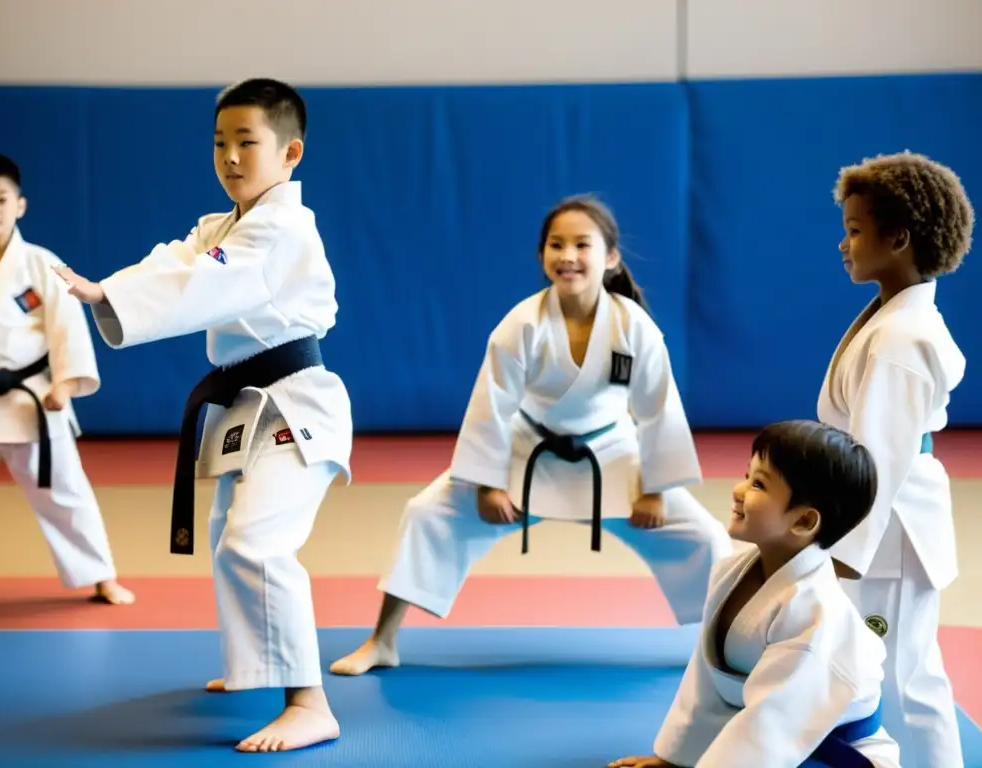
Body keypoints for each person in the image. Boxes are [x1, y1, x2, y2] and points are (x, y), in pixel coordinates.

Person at [54, 78, 353, 754]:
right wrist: (109, 290)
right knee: (229, 535)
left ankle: (310, 702)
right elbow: (178, 263)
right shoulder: (222, 227)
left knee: (256, 542)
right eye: (220, 143)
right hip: (249, 404)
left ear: (291, 153)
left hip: (296, 402)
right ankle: (257, 667)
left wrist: (109, 296)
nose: (231, 157)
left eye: (248, 142)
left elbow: (207, 282)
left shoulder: (282, 226)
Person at [330, 194, 733, 677]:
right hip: (528, 452)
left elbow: (658, 410)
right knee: (426, 514)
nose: (567, 255)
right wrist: (488, 484)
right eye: (556, 244)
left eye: (582, 244)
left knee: (706, 537)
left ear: (610, 257)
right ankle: (383, 640)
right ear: (542, 256)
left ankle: (722, 650)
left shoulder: (634, 327)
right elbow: (491, 407)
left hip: (613, 456)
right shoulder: (522, 324)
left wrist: (653, 489)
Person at [609, 420, 902, 768]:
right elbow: (706, 683)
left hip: (836, 752)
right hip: (770, 741)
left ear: (804, 522)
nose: (738, 489)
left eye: (759, 484)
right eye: (747, 475)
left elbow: (772, 725)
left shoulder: (814, 611)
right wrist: (675, 758)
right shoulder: (731, 571)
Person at [818, 150, 974, 768]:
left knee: (906, 677)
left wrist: (845, 553)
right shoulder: (892, 316)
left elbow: (879, 456)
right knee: (879, 668)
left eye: (855, 230)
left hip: (890, 529)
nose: (843, 245)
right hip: (880, 521)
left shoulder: (902, 339)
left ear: (899, 238)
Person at [0, 152, 133, 605]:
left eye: (1, 198)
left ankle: (101, 575)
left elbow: (67, 330)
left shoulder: (42, 265)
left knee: (64, 490)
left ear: (20, 205)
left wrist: (65, 384)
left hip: (30, 399)